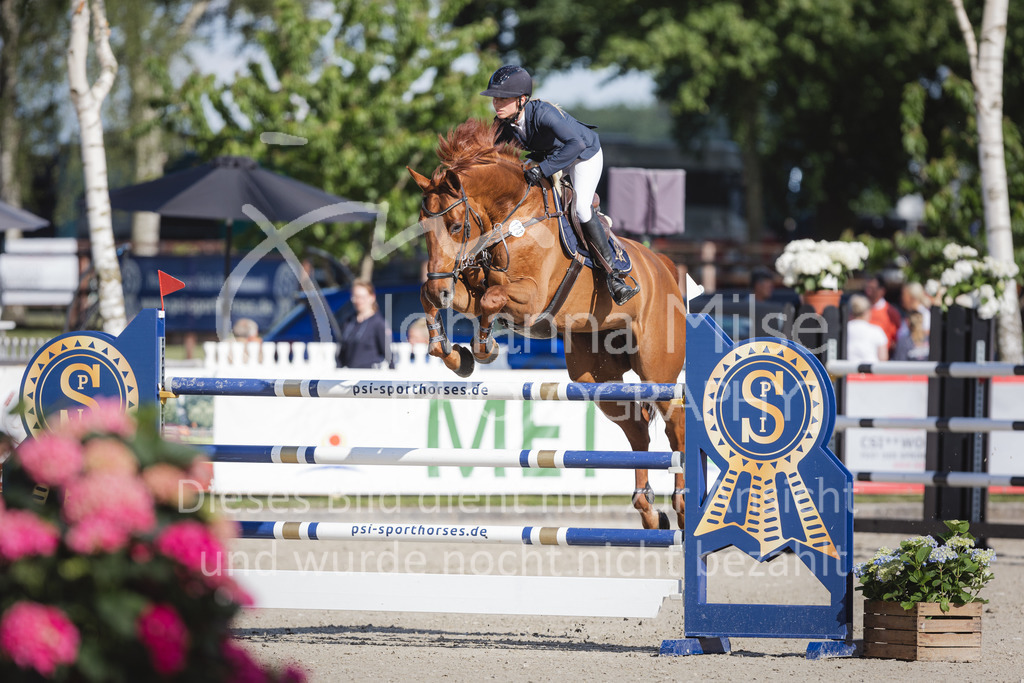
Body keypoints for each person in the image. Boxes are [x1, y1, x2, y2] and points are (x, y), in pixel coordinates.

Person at [481, 64, 638, 305]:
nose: (497, 103)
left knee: (581, 208)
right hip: (551, 156)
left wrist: (543, 170)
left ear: (522, 100)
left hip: (583, 154)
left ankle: (614, 274)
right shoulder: (502, 125)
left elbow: (575, 145)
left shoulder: (543, 113)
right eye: (495, 98)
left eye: (504, 98)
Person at [336, 279, 391, 369]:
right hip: (348, 375)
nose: (358, 301)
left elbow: (388, 353)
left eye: (362, 297)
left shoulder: (378, 323)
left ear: (372, 297)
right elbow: (342, 352)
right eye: (355, 297)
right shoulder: (349, 321)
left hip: (369, 376)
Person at [864, 274, 902, 357]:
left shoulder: (891, 312)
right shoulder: (861, 310)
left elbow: (896, 338)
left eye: (872, 289)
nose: (868, 292)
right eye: (867, 288)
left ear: (882, 291)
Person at [846, 294, 889, 363]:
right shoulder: (877, 331)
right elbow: (883, 358)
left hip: (847, 371)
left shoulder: (843, 330)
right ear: (868, 312)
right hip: (871, 371)